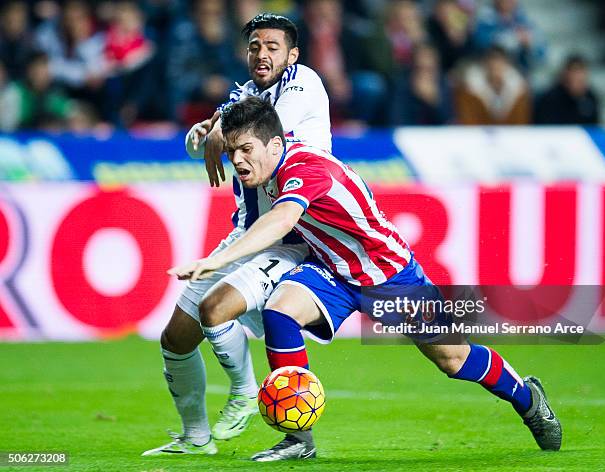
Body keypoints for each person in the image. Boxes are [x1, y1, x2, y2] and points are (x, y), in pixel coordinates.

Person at [169, 96, 563, 462]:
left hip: (388, 275)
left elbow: (283, 219)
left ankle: (528, 398)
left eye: (245, 151)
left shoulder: (306, 168)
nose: (237, 160)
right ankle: (298, 439)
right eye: (233, 151)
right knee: (280, 312)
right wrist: (216, 127)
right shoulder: (270, 154)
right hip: (333, 273)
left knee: (453, 359)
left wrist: (217, 259)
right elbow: (247, 119)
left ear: (274, 146)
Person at [142, 13, 331, 457]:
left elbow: (263, 127)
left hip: (293, 235)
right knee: (177, 338)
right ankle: (195, 438)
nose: (262, 54)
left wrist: (218, 129)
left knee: (216, 309)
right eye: (254, 47)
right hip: (248, 231)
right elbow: (198, 143)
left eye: (272, 46)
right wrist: (203, 133)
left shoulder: (304, 84)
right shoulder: (245, 94)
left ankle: (246, 392)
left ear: (293, 54)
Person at [454, 46, 530, 124]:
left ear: (507, 65)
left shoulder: (519, 91)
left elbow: (520, 125)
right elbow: (468, 122)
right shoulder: (470, 91)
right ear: (485, 65)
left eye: (499, 63)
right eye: (492, 64)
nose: (495, 67)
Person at [534, 55, 600, 125]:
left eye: (582, 72)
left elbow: (594, 128)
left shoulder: (590, 97)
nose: (579, 76)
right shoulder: (549, 99)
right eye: (575, 72)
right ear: (566, 74)